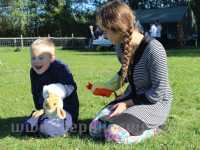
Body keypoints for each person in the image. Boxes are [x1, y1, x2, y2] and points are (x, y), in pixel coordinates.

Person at [89, 0, 172, 144]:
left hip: (153, 103)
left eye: (105, 31)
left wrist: (126, 104)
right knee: (95, 129)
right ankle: (126, 121)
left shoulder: (154, 49)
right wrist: (106, 86)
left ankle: (154, 129)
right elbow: (125, 72)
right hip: (131, 97)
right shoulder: (120, 48)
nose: (104, 36)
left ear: (116, 28)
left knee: (113, 135)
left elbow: (158, 92)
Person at [29, 38, 79, 124]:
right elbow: (35, 91)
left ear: (51, 58)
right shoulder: (33, 72)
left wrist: (55, 91)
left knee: (51, 125)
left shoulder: (60, 68)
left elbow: (71, 87)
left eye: (40, 58)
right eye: (33, 58)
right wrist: (41, 108)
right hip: (47, 109)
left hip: (66, 109)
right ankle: (37, 123)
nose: (36, 61)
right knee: (32, 121)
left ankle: (64, 124)